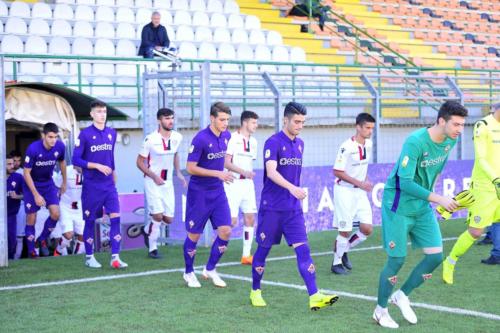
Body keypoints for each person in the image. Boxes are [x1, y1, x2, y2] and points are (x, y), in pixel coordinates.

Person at [373, 101, 467, 328]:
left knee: (435, 256)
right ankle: (380, 310)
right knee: (397, 259)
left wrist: (433, 198)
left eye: (463, 125)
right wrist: (440, 199)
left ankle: (402, 295)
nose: (460, 129)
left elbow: (436, 169)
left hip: (422, 205)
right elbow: (404, 183)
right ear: (441, 121)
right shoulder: (415, 142)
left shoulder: (450, 140)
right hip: (398, 204)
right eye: (456, 124)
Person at [250, 102, 338, 310]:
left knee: (304, 250)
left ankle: (314, 295)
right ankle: (255, 291)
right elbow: (271, 172)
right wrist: (292, 188)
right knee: (263, 251)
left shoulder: (300, 144)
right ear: (285, 120)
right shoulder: (272, 142)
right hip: (271, 208)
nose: (300, 125)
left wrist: (294, 193)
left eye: (303, 122)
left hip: (293, 210)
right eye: (296, 121)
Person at [442, 103, 500, 275]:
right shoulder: (483, 125)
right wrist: (496, 180)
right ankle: (450, 261)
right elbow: (481, 159)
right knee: (475, 231)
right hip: (486, 187)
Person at [182, 102, 234, 288]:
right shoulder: (200, 139)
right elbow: (190, 168)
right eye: (222, 119)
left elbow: (223, 162)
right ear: (212, 118)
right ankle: (188, 273)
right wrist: (218, 174)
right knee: (194, 235)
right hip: (200, 193)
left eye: (227, 119)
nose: (225, 123)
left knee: (226, 230)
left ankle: (210, 268)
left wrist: (237, 170)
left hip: (218, 192)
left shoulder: (226, 136)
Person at [73, 100, 127, 269]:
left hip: (109, 185)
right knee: (90, 221)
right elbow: (75, 159)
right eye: (98, 111)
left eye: (104, 111)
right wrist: (95, 166)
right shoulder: (84, 134)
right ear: (92, 114)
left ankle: (115, 257)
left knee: (116, 218)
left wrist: (114, 172)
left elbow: (110, 157)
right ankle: (89, 256)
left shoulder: (112, 133)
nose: (102, 114)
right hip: (92, 186)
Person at [136, 108, 186, 259]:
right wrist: (154, 176)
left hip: (168, 182)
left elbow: (176, 154)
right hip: (152, 181)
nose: (170, 121)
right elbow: (139, 162)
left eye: (171, 118)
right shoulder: (150, 139)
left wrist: (178, 172)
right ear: (159, 120)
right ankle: (153, 248)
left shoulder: (177, 137)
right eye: (166, 118)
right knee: (157, 216)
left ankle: (147, 230)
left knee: (168, 219)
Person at [331, 113, 375, 275]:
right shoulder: (346, 146)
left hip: (359, 192)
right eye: (367, 128)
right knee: (345, 230)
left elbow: (362, 168)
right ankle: (336, 264)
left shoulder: (368, 144)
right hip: (344, 191)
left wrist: (366, 180)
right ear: (358, 127)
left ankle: (343, 250)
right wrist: (360, 183)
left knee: (367, 228)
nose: (370, 131)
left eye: (372, 128)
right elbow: (337, 171)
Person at [23, 122, 66, 258]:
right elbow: (26, 173)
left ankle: (40, 240)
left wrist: (64, 182)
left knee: (55, 214)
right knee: (32, 217)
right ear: (44, 136)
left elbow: (62, 162)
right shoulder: (33, 149)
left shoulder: (60, 146)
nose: (53, 140)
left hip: (48, 184)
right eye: (50, 137)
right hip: (32, 185)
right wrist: (36, 195)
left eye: (56, 137)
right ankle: (31, 251)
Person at [224, 111, 259, 265]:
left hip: (247, 185)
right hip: (233, 183)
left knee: (250, 217)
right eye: (253, 122)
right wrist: (243, 172)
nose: (256, 126)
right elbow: (226, 162)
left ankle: (246, 255)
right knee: (231, 222)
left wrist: (248, 173)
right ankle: (219, 246)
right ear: (245, 122)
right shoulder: (232, 138)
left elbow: (249, 162)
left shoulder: (254, 142)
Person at [52, 165, 86, 256]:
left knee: (83, 234)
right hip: (65, 206)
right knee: (68, 235)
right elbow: (56, 185)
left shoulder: (89, 171)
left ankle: (76, 255)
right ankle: (58, 251)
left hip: (80, 207)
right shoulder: (66, 170)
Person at [6, 155, 23, 259]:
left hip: (11, 215)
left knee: (12, 239)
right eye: (9, 164)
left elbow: (26, 194)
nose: (12, 166)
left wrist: (17, 196)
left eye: (13, 163)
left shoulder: (18, 177)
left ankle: (10, 259)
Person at [10, 150, 25, 259]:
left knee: (19, 236)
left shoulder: (24, 173)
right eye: (13, 161)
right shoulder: (4, 173)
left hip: (21, 207)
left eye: (18, 161)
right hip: (7, 208)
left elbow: (28, 194)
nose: (16, 163)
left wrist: (18, 196)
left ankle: (17, 259)